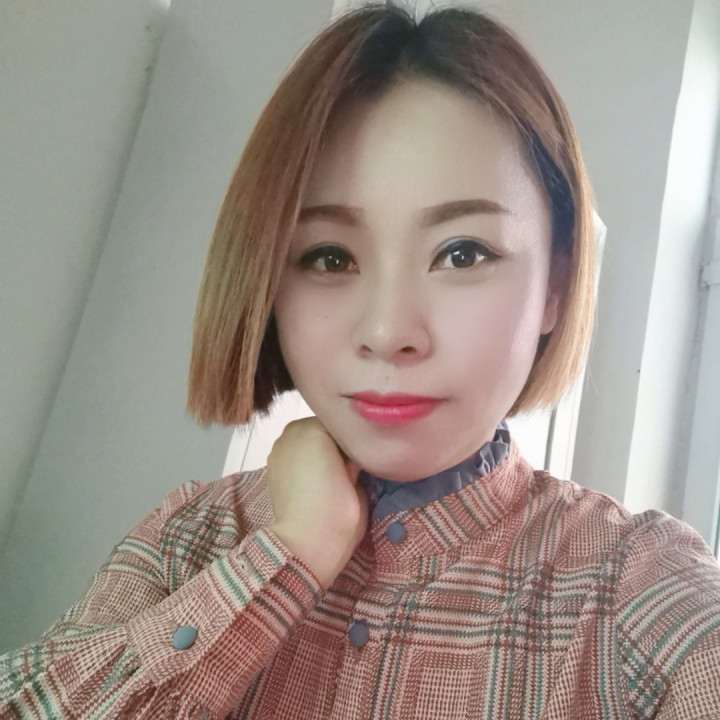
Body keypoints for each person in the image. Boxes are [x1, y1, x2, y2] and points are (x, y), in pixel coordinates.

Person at [2, 3, 720, 718]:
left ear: (555, 286)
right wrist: (292, 550)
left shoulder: (639, 595)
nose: (386, 332)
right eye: (329, 257)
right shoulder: (185, 539)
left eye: (462, 253)